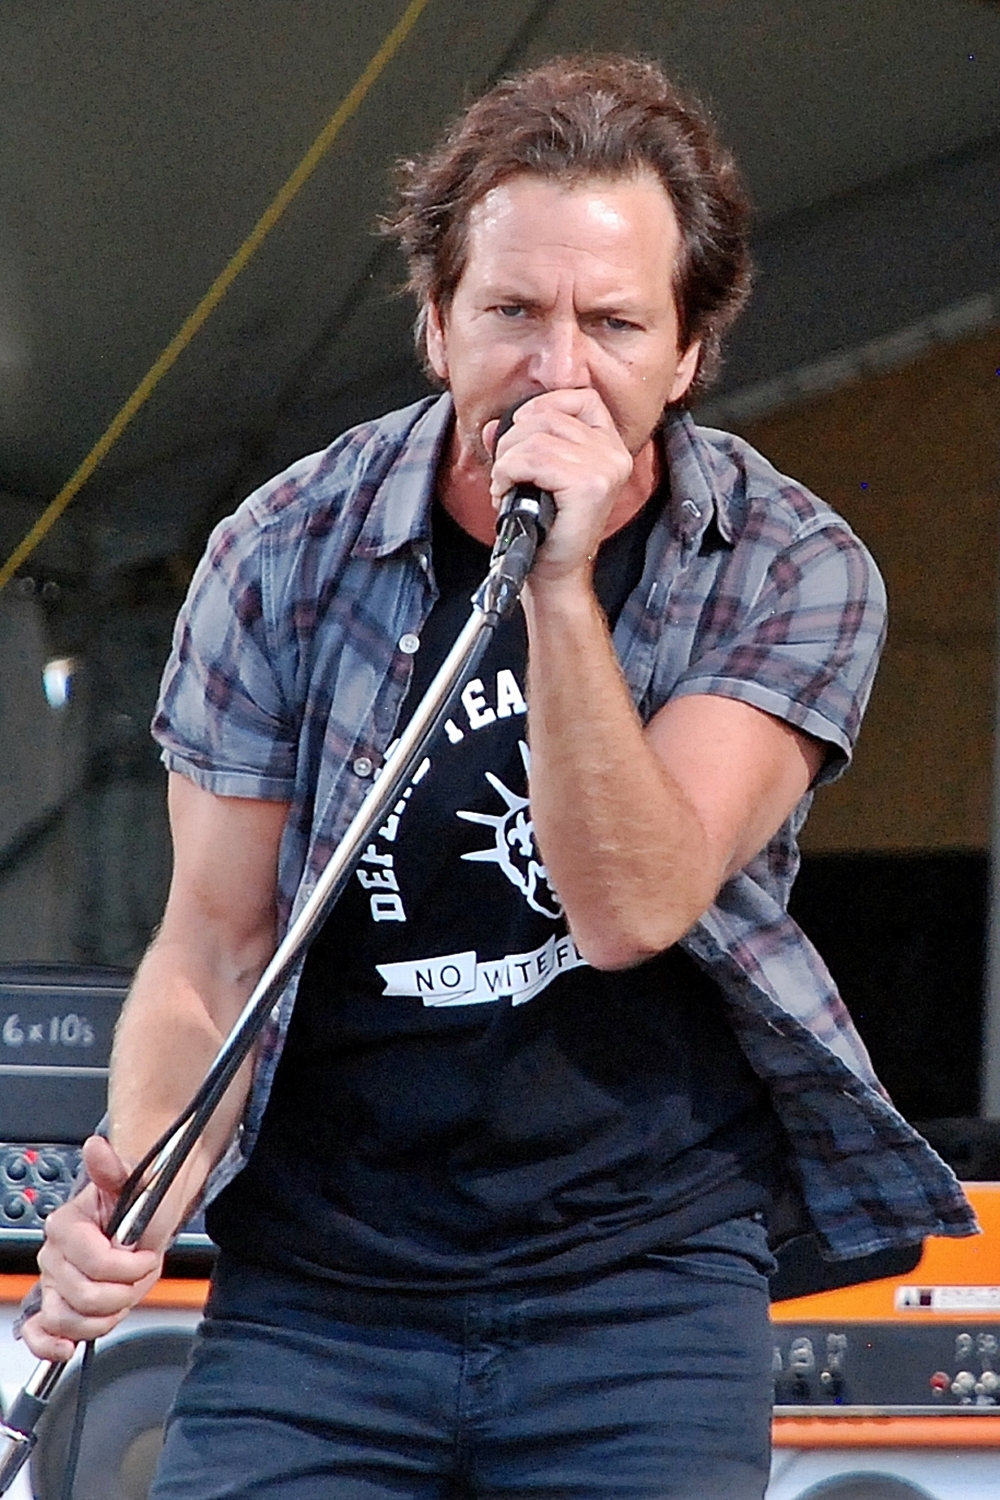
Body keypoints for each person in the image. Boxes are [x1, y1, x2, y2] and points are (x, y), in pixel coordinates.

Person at [21, 55, 975, 1500]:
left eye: (614, 323)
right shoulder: (283, 550)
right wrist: (143, 1177)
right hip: (323, 1289)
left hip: (641, 1288)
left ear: (691, 354)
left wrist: (561, 586)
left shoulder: (788, 564)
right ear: (435, 324)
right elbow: (213, 944)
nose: (558, 369)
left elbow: (633, 907)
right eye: (513, 313)